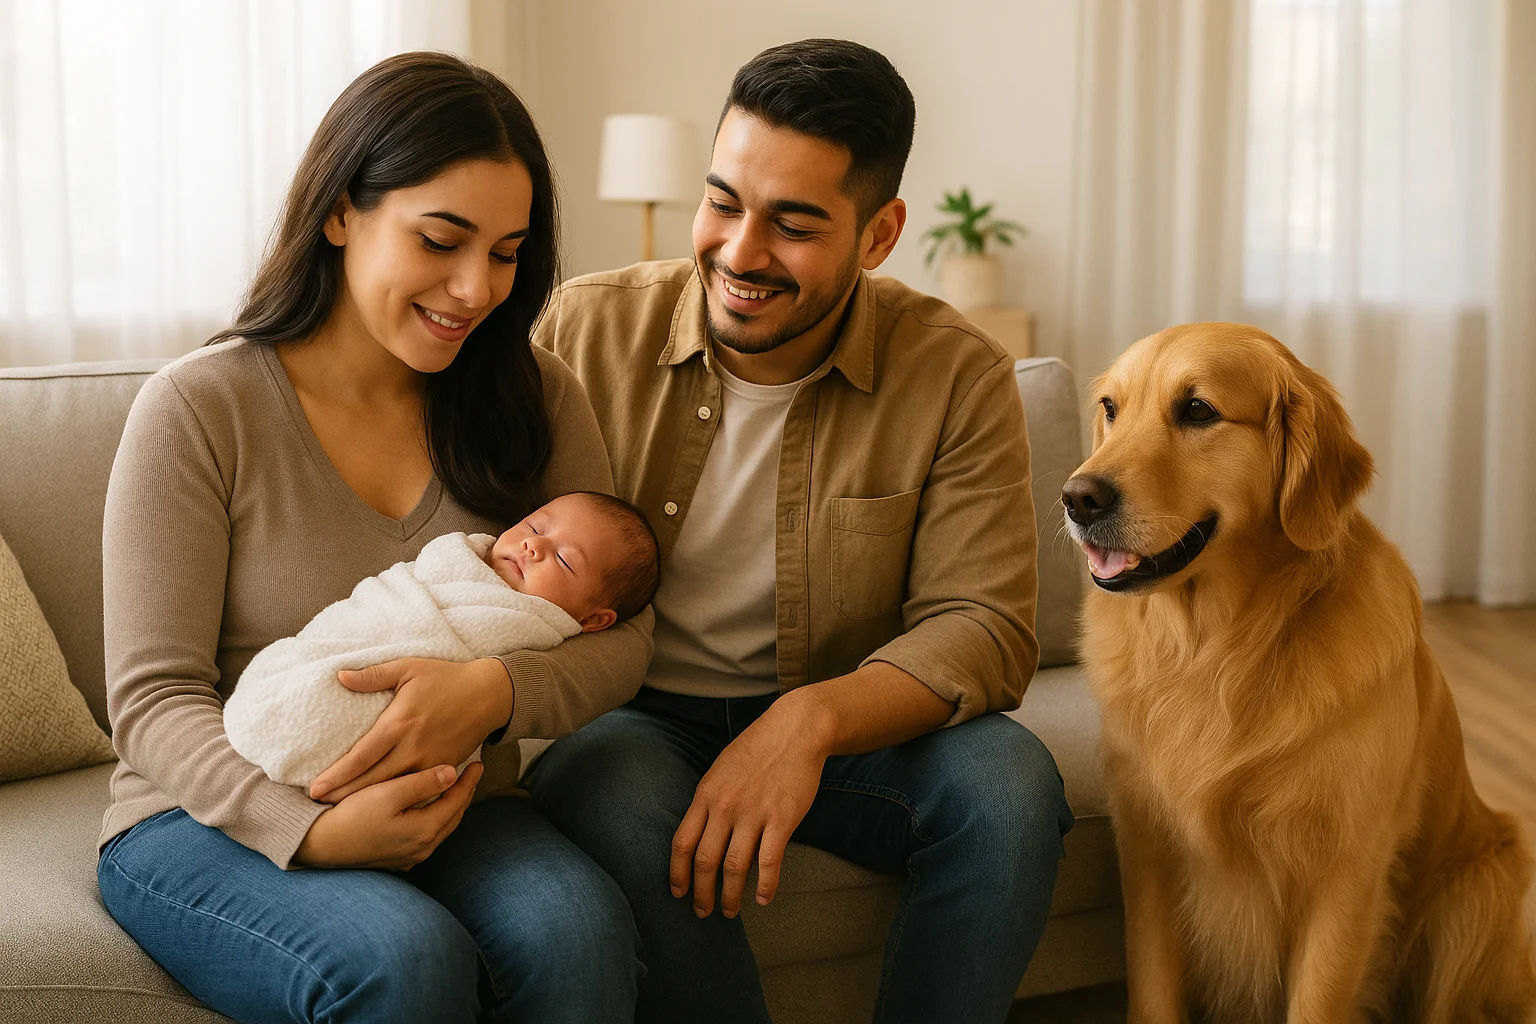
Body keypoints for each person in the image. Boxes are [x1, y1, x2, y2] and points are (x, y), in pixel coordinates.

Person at [527, 37, 1074, 1024]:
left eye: (793, 224)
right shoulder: (583, 330)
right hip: (630, 714)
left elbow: (985, 625)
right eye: (723, 202)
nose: (740, 253)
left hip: (844, 722)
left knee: (1011, 790)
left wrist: (807, 723)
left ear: (879, 234)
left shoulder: (958, 374)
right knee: (606, 784)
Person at [95, 52, 649, 1024]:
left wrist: (494, 692)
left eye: (507, 253)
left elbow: (623, 638)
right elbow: (151, 699)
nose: (475, 288)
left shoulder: (536, 395)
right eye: (441, 240)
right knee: (402, 957)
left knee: (580, 932)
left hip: (456, 803)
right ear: (341, 213)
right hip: (207, 814)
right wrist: (308, 830)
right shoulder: (198, 410)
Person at [223, 491, 660, 790]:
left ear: (594, 619)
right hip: (265, 733)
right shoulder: (455, 559)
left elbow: (624, 651)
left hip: (457, 793)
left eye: (563, 559)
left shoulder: (532, 627)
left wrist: (494, 689)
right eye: (534, 525)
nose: (533, 546)